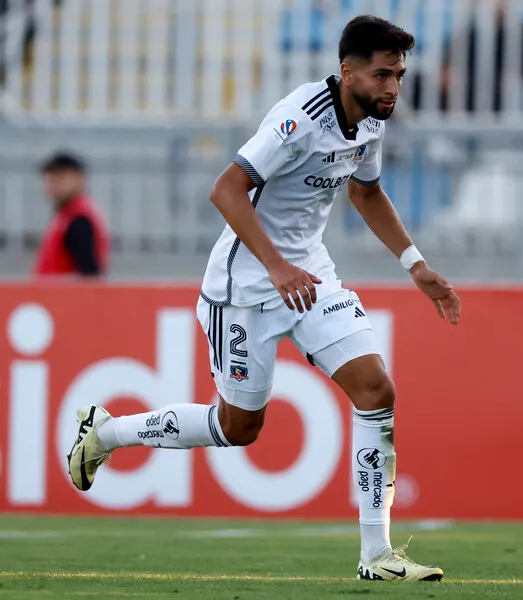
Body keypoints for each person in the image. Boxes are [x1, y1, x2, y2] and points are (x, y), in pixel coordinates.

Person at [64, 15, 459, 582]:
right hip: (245, 286)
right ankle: (104, 433)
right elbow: (225, 188)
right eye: (382, 75)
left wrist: (415, 265)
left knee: (376, 390)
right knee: (238, 428)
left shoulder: (371, 122)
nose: (393, 87)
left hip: (310, 276)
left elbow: (366, 192)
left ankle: (377, 556)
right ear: (347, 72)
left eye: (399, 75)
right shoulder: (300, 118)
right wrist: (275, 267)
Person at [33, 152, 110, 277]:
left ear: (79, 178)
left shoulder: (78, 220)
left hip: (61, 295)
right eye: (49, 178)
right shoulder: (66, 217)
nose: (52, 183)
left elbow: (89, 275)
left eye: (59, 178)